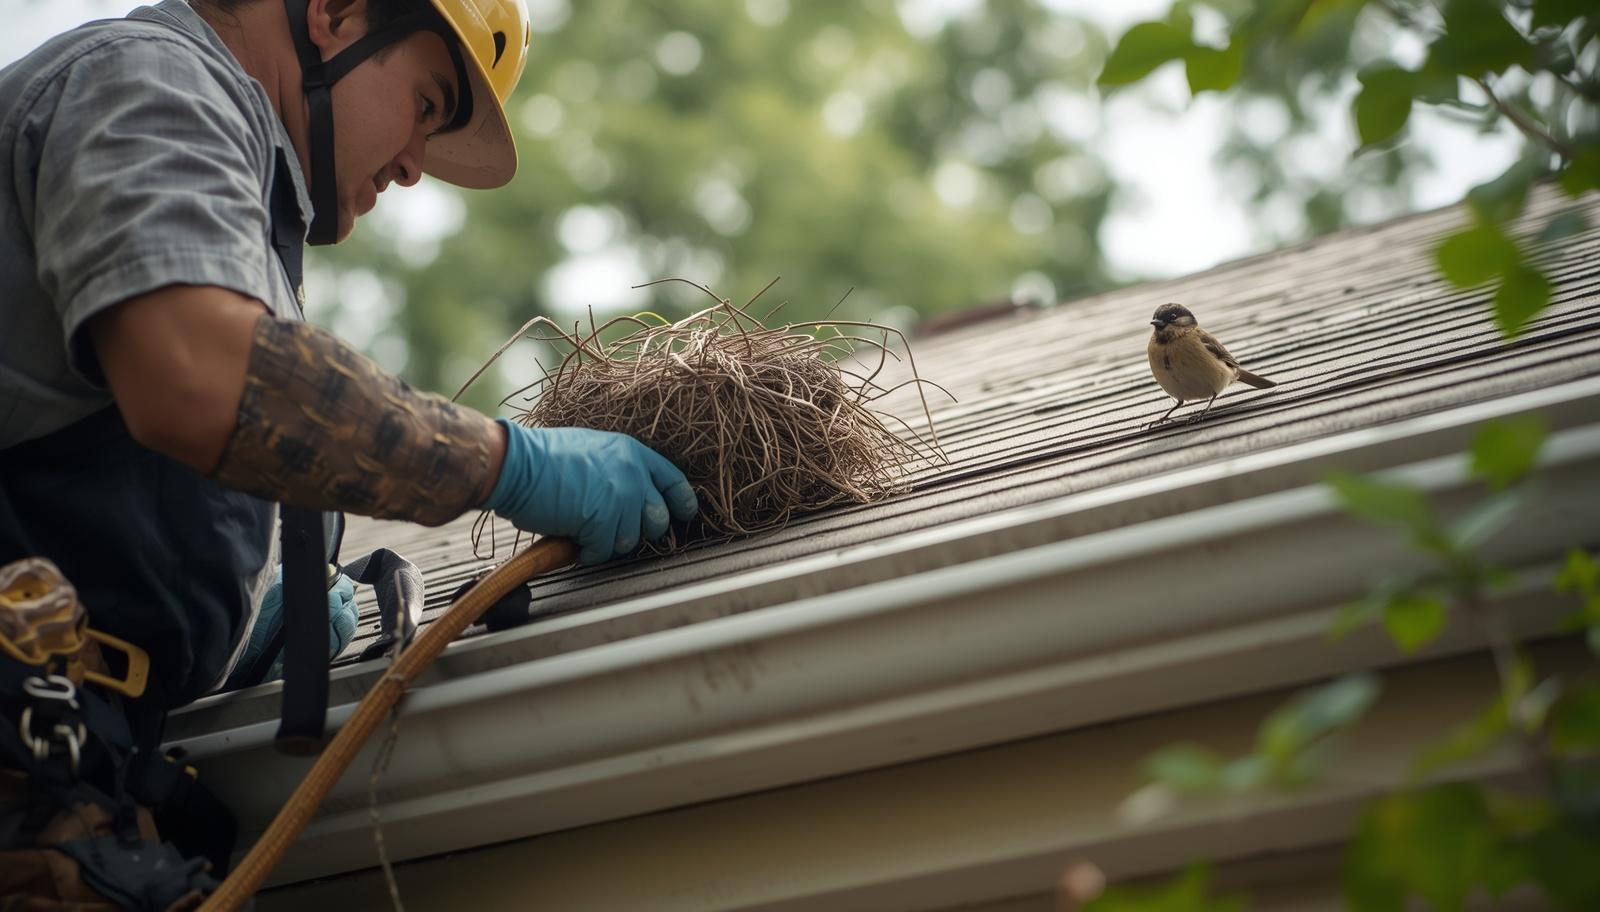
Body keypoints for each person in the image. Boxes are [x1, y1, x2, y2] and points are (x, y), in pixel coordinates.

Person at [0, 0, 696, 901]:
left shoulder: (227, 195)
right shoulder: (150, 83)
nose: (415, 166)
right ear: (334, 11)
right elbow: (200, 374)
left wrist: (229, 615)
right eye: (428, 103)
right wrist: (507, 464)